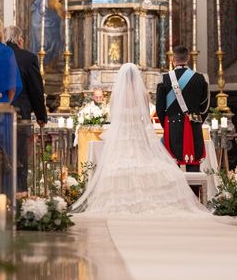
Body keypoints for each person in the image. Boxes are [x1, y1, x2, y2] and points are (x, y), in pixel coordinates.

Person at [71, 63, 205, 215]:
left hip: (122, 137)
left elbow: (113, 118)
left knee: (117, 169)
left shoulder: (116, 95)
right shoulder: (143, 94)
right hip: (138, 135)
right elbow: (146, 119)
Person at [5, 25, 47, 192]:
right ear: (20, 39)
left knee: (4, 155)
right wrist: (41, 115)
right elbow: (36, 89)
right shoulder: (28, 58)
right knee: (21, 157)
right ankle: (21, 193)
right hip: (22, 114)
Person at [156, 46, 210, 171]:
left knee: (172, 167)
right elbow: (205, 107)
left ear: (172, 59)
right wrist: (198, 122)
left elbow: (160, 108)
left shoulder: (164, 79)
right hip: (194, 126)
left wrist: (167, 125)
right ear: (188, 58)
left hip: (172, 126)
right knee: (194, 165)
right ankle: (195, 191)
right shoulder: (200, 78)